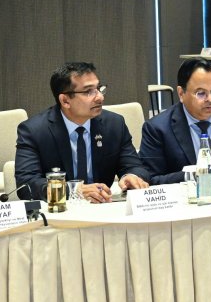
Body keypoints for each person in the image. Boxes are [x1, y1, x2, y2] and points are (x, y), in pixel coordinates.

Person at [14, 63, 151, 202]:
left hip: (103, 206)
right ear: (65, 101)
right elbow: (26, 185)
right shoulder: (34, 131)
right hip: (60, 210)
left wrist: (132, 176)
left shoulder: (114, 124)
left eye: (99, 89)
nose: (100, 97)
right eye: (88, 92)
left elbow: (135, 167)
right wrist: (74, 191)